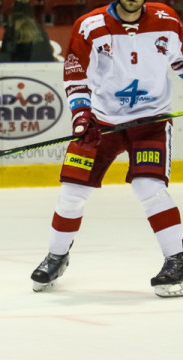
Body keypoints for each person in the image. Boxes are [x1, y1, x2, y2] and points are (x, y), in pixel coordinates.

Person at [30, 0, 183, 298]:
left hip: (151, 120)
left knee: (148, 186)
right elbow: (75, 76)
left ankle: (177, 259)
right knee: (72, 192)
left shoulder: (167, 19)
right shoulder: (89, 26)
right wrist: (81, 118)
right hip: (101, 121)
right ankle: (57, 256)